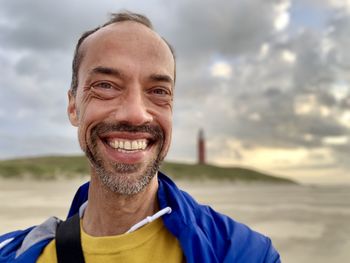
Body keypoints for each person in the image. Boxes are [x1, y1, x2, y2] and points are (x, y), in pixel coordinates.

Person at [0, 11, 281, 263]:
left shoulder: (245, 253)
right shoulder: (19, 254)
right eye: (106, 86)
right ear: (73, 107)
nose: (136, 114)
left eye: (158, 91)